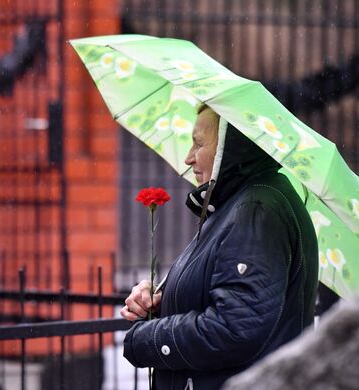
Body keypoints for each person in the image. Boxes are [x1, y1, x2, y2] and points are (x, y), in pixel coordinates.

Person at [121, 105, 319, 389]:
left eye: (199, 143)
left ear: (232, 145)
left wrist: (146, 340)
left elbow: (234, 329)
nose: (189, 158)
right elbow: (231, 298)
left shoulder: (256, 210)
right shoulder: (238, 204)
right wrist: (161, 301)